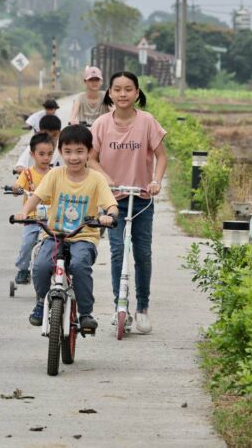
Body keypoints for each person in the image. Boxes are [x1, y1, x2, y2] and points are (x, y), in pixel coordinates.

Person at [17, 125, 118, 332]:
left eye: (80, 151)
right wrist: (25, 212)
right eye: (68, 152)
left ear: (89, 152)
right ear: (61, 152)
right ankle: (41, 302)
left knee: (80, 265)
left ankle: (86, 313)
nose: (73, 157)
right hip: (54, 234)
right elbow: (36, 197)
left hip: (84, 236)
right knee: (41, 266)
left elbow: (111, 204)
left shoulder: (96, 179)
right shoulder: (55, 175)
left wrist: (110, 215)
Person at [88, 71, 167, 335]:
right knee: (118, 252)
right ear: (109, 92)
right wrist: (106, 178)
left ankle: (142, 308)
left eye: (128, 89)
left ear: (136, 92)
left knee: (142, 254)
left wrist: (156, 181)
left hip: (142, 199)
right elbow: (91, 158)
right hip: (113, 200)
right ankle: (119, 306)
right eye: (117, 89)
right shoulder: (100, 124)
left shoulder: (147, 122)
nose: (123, 94)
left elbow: (161, 156)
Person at [11, 132, 55, 285]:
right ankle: (23, 269)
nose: (46, 158)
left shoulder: (55, 173)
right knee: (28, 243)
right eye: (41, 154)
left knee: (54, 245)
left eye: (49, 154)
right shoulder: (27, 174)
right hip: (32, 218)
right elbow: (18, 187)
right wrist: (16, 188)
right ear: (32, 154)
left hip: (51, 219)